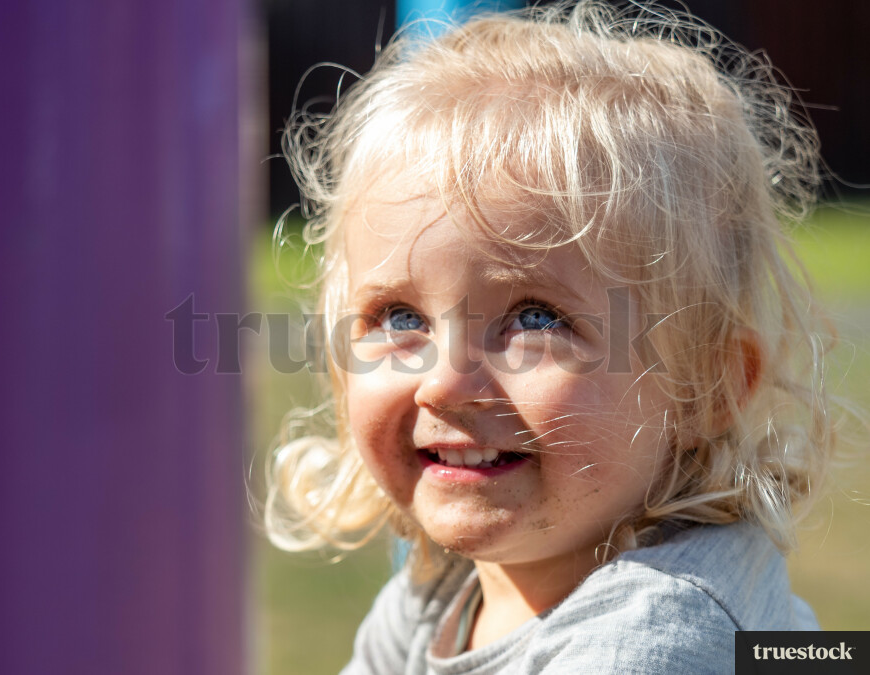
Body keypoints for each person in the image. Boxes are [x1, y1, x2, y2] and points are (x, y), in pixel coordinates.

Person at [265, 2, 840, 671]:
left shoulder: (659, 639)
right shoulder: (444, 589)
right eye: (400, 317)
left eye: (536, 319)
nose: (445, 380)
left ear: (705, 388)